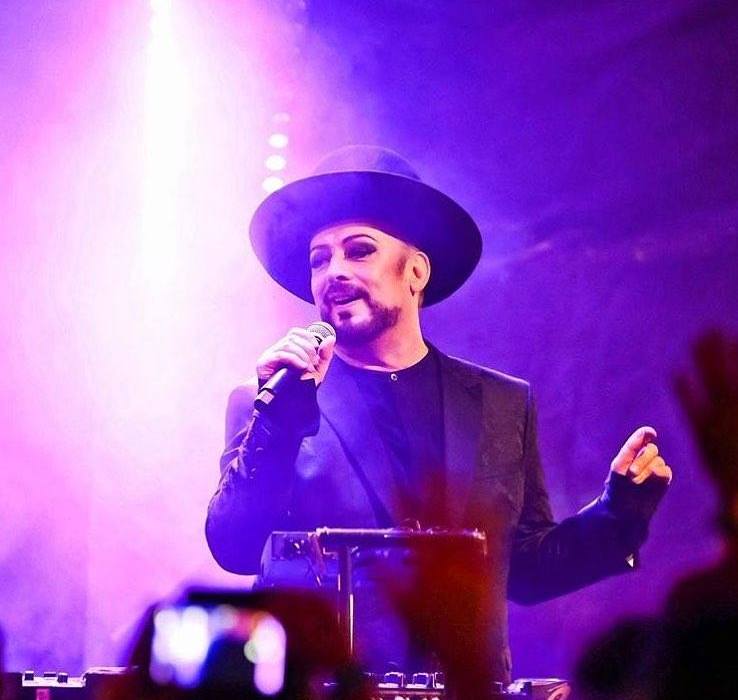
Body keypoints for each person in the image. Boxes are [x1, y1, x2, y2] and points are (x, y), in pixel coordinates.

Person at [205, 145, 671, 684]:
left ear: (416, 271)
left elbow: (523, 570)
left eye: (359, 251)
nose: (334, 271)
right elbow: (235, 547)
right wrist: (277, 420)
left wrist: (619, 513)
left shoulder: (501, 402)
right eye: (319, 259)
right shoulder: (274, 400)